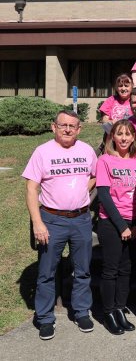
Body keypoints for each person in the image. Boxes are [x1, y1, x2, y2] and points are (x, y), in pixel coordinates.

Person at [23, 110, 97, 340]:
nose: (67, 129)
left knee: (83, 269)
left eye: (72, 126)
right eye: (62, 125)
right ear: (53, 127)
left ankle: (81, 311)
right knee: (46, 272)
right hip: (52, 220)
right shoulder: (42, 152)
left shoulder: (86, 150)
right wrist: (37, 223)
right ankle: (45, 318)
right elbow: (31, 188)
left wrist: (80, 191)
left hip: (81, 219)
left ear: (79, 129)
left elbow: (94, 176)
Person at [96, 120, 136, 335]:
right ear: (113, 137)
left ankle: (120, 308)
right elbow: (104, 195)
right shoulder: (105, 161)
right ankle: (109, 312)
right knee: (111, 270)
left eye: (128, 134)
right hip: (111, 222)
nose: (124, 138)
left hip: (133, 223)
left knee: (127, 269)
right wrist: (121, 226)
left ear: (133, 137)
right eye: (119, 134)